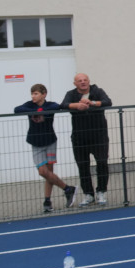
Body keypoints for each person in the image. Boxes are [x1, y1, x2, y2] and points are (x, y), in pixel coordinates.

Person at [15, 84, 76, 212]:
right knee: (43, 172)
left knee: (49, 172)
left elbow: (56, 106)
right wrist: (36, 111)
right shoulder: (29, 105)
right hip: (36, 142)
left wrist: (40, 111)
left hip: (50, 142)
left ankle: (47, 201)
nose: (33, 96)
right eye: (32, 93)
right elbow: (17, 109)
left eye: (36, 94)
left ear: (44, 94)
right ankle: (68, 189)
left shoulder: (50, 105)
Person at [60, 73, 112, 206]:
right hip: (79, 138)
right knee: (83, 166)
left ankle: (101, 192)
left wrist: (92, 103)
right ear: (75, 83)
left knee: (102, 162)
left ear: (89, 81)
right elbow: (63, 105)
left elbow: (108, 102)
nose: (83, 82)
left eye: (85, 80)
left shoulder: (97, 91)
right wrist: (76, 106)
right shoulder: (71, 94)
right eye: (79, 81)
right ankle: (88, 194)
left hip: (99, 136)